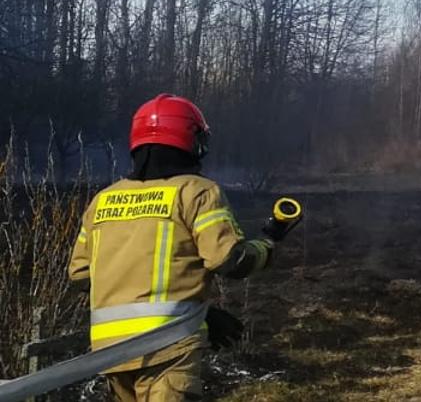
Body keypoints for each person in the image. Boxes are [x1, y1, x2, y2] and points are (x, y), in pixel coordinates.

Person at [67, 94, 274, 402]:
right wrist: (268, 245)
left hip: (109, 352)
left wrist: (199, 315)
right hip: (167, 349)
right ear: (191, 139)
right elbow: (231, 260)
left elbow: (80, 276)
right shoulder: (197, 192)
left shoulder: (103, 200)